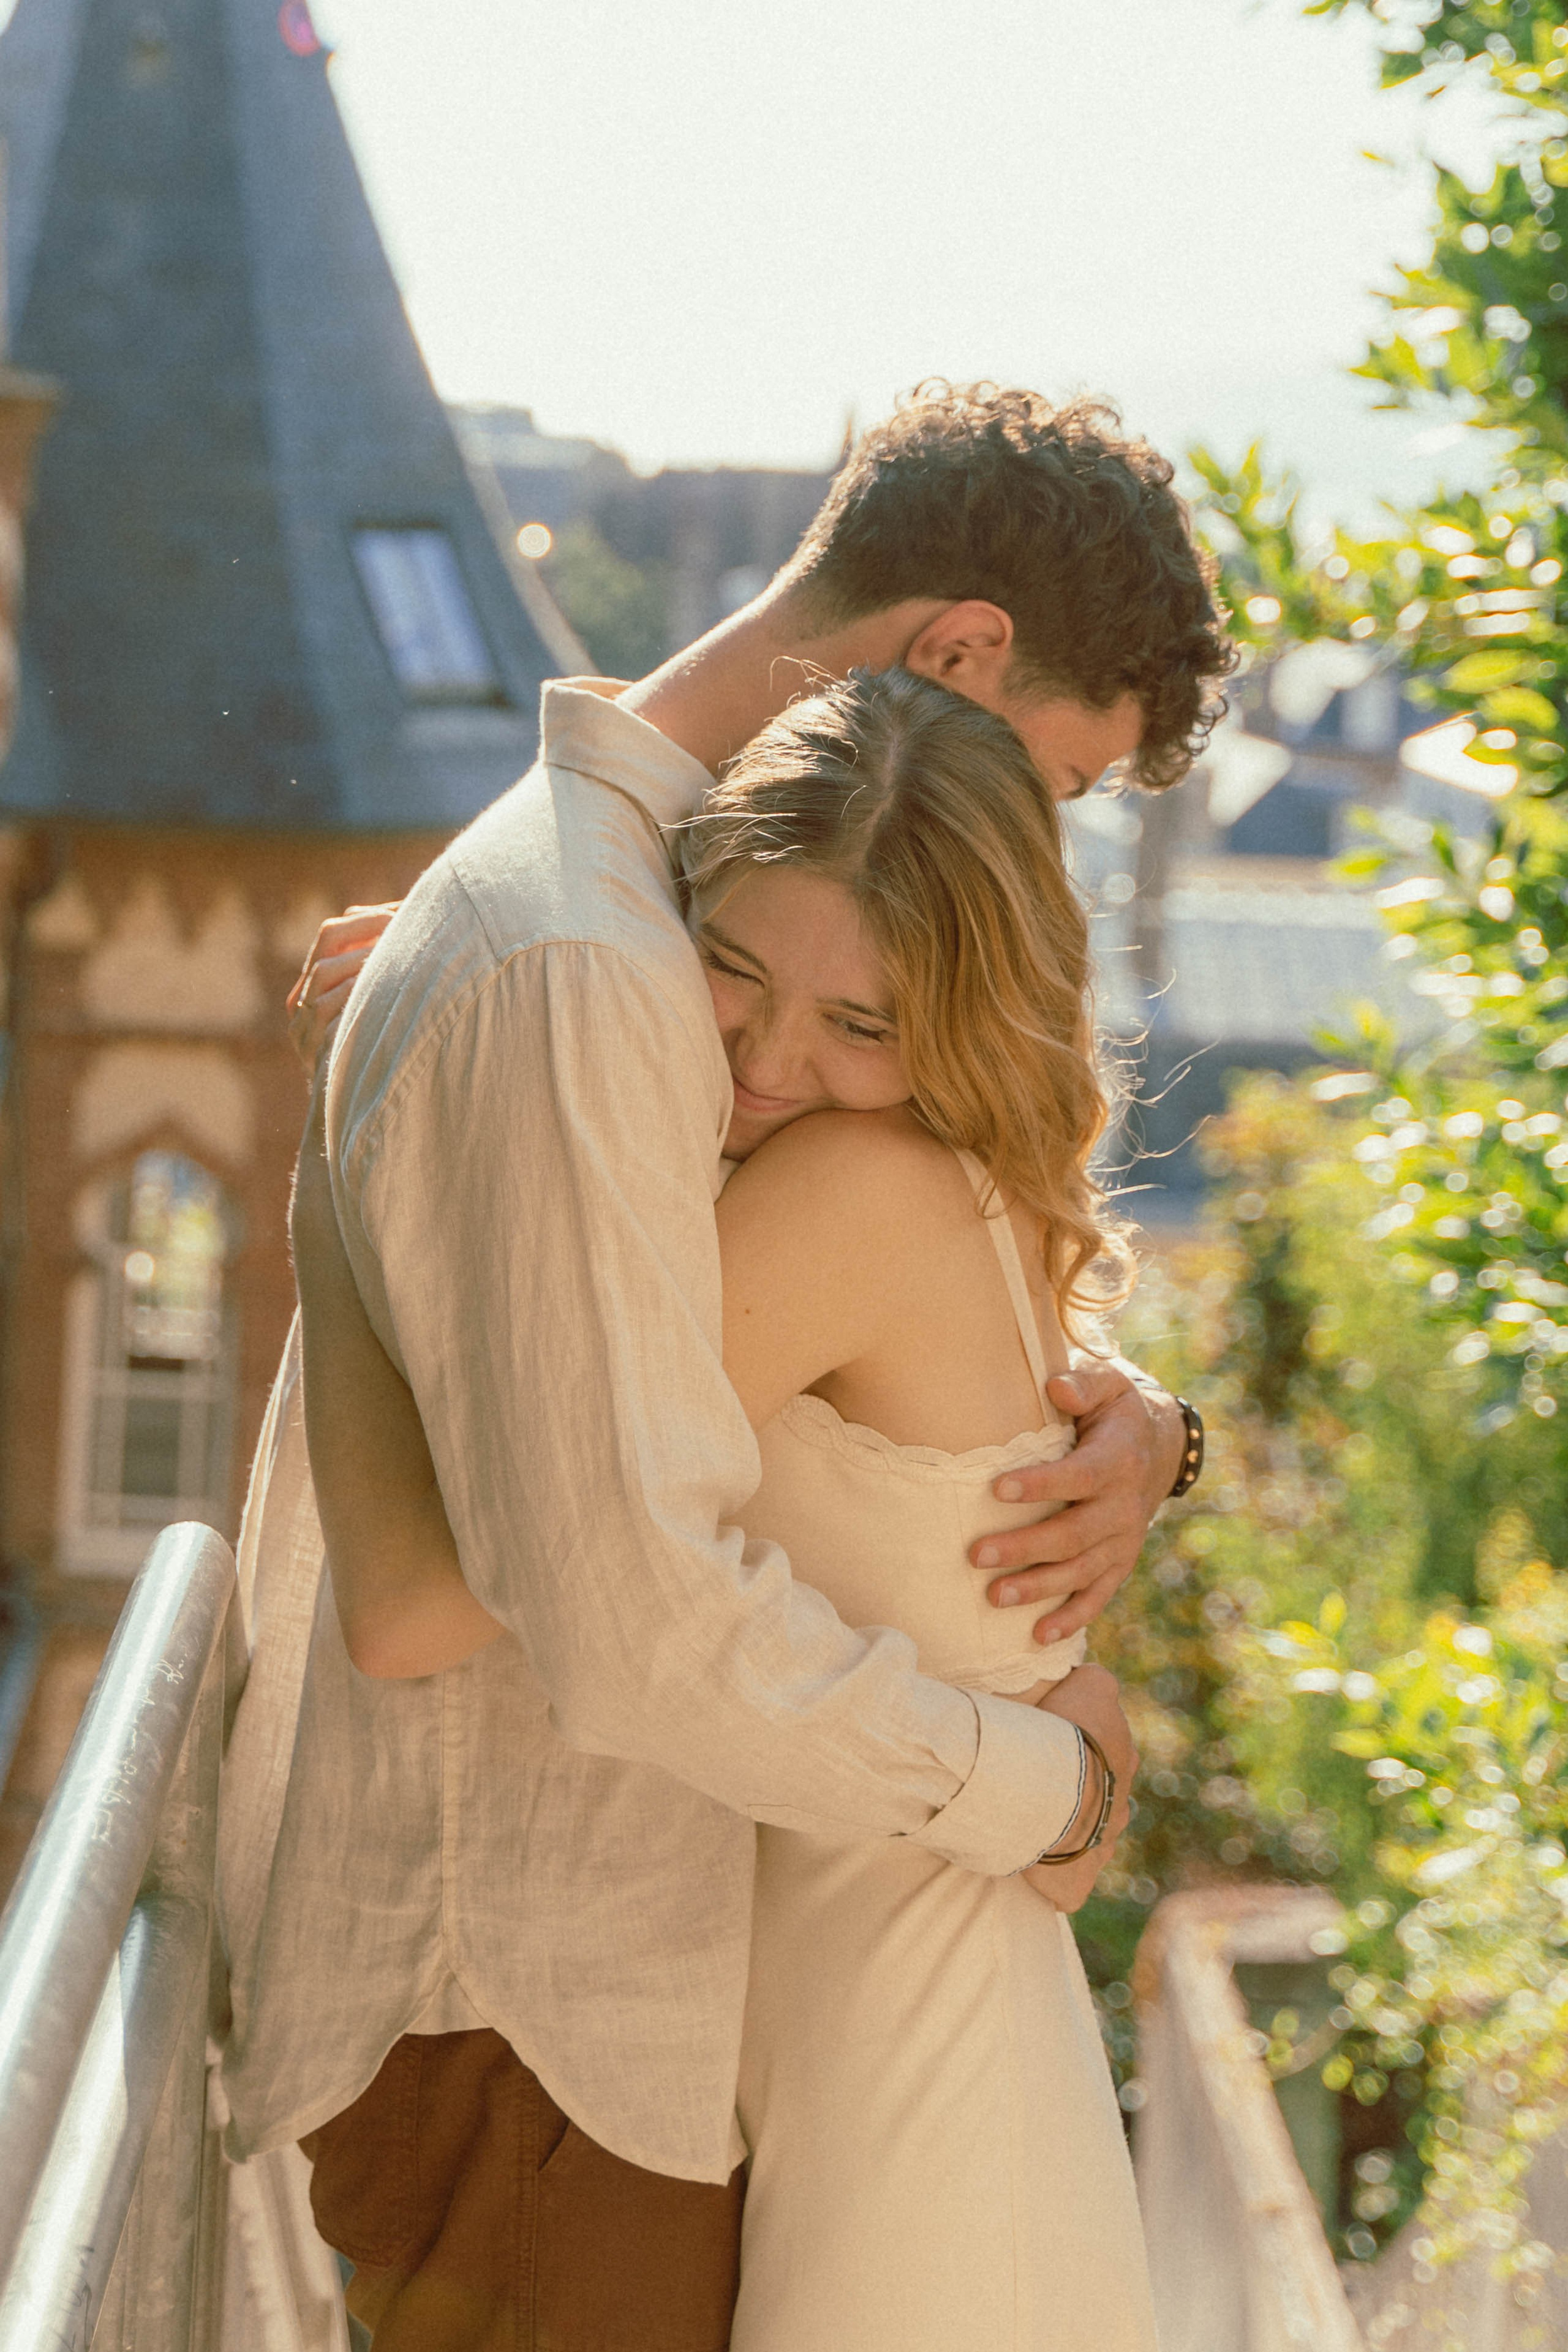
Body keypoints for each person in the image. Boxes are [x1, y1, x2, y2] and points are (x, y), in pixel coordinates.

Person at [216, 383, 1231, 2352]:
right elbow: (519, 1592)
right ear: (957, 659)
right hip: (530, 2011)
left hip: (683, 2010)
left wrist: (1144, 1422)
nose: (1028, 847)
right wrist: (1048, 1786)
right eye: (1063, 780)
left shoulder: (660, 941)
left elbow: (789, 1363)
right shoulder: (594, 964)